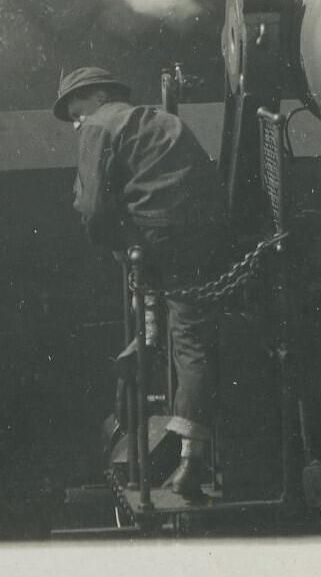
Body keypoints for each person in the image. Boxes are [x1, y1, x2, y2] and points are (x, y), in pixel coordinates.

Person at [55, 65, 227, 498]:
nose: (77, 124)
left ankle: (187, 460)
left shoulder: (98, 125)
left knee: (183, 340)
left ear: (96, 97)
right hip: (206, 233)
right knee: (191, 336)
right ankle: (186, 445)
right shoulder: (154, 119)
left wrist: (115, 245)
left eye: (76, 114)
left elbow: (94, 209)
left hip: (162, 241)